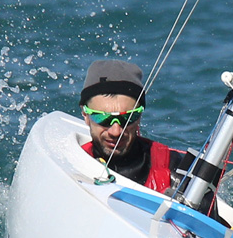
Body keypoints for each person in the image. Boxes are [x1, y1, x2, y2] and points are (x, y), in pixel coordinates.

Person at [79, 58, 194, 194]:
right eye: (102, 117)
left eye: (128, 117)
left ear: (139, 117)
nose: (116, 132)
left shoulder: (174, 169)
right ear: (85, 115)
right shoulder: (70, 161)